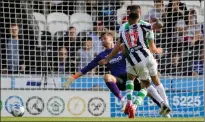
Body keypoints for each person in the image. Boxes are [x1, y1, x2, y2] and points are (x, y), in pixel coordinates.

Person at [99, 13, 171, 118]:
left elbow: (120, 47)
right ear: (138, 18)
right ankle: (163, 105)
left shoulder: (123, 31)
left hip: (135, 61)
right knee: (154, 83)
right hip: (148, 57)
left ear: (128, 20)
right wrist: (156, 21)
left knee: (137, 81)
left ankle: (130, 102)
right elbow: (158, 26)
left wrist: (108, 58)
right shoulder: (142, 26)